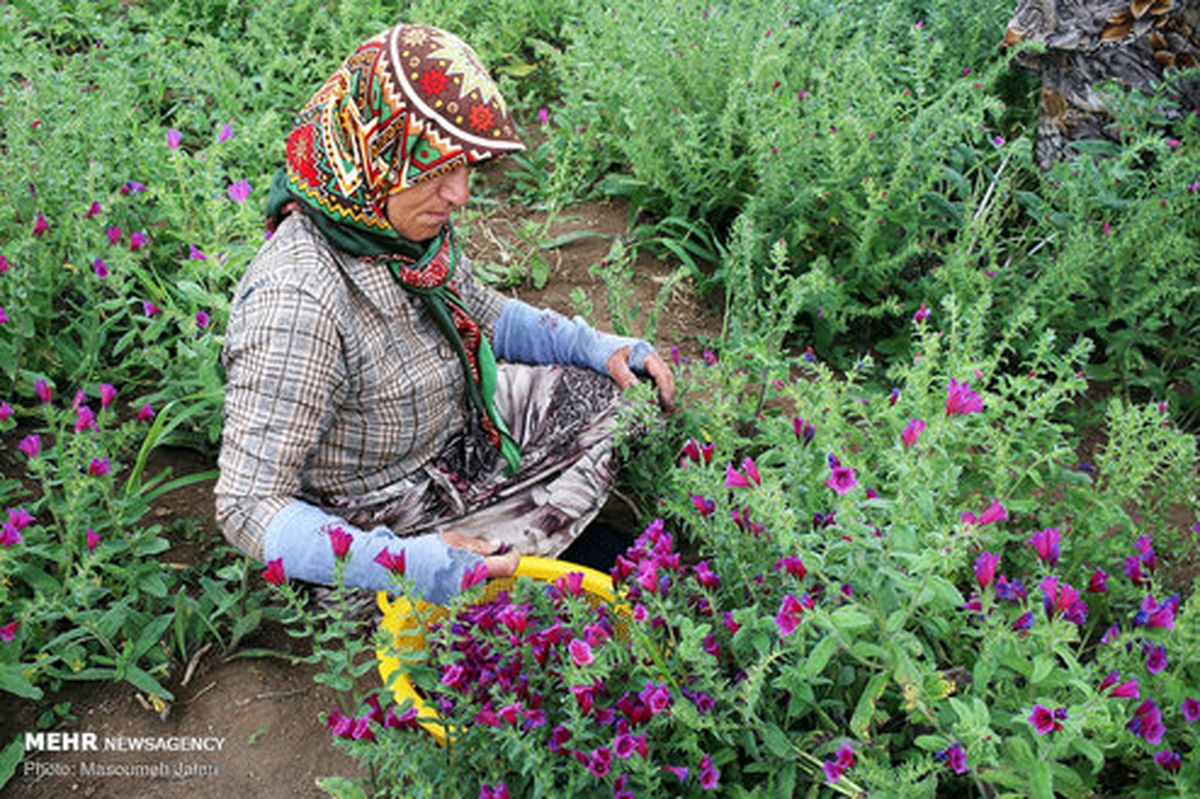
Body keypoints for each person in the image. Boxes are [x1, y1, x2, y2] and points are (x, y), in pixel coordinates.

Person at [214, 22, 675, 606]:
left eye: (466, 167)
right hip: (378, 517)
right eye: (434, 171)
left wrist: (597, 346)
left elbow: (486, 314)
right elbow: (248, 506)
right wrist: (407, 563)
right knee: (433, 585)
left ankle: (503, 561)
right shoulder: (298, 300)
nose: (459, 194)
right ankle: (464, 577)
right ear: (368, 158)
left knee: (618, 390)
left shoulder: (395, 232)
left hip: (448, 442)